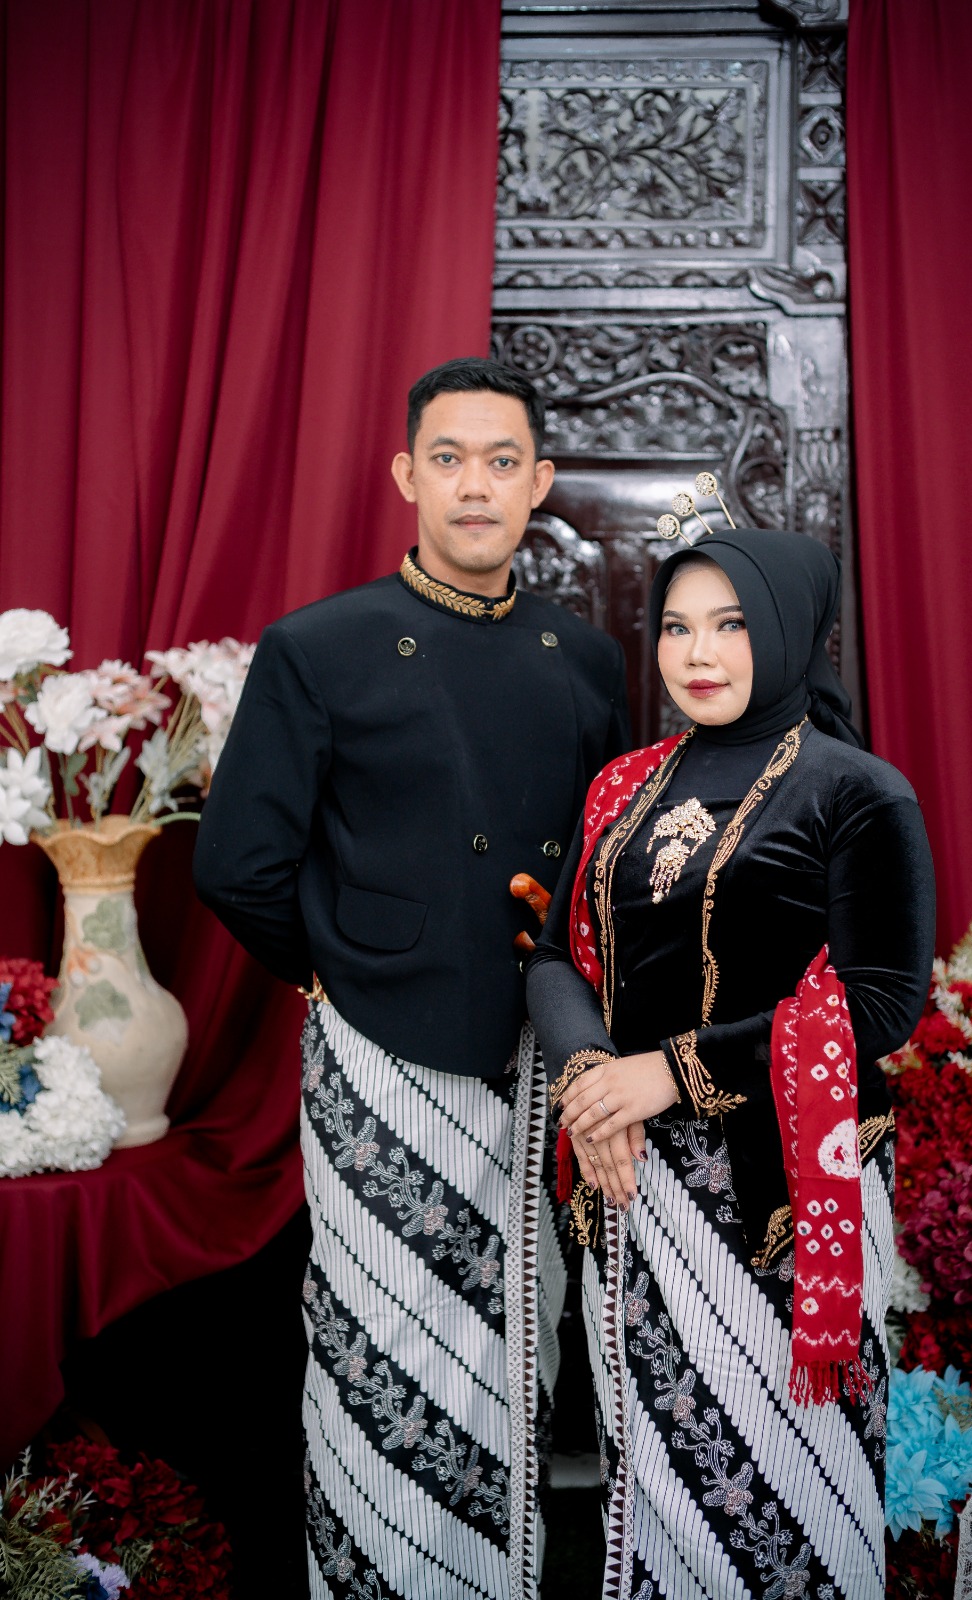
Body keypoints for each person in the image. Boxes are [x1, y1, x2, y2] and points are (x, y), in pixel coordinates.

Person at [193, 356, 630, 1600]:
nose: (474, 485)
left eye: (501, 461)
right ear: (405, 476)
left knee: (519, 1331)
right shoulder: (317, 646)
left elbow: (603, 857)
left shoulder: (584, 657)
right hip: (380, 1049)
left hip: (540, 1051)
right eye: (448, 459)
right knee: (381, 1345)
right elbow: (236, 865)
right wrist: (331, 973)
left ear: (539, 482)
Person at [526, 528, 935, 1600]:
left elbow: (880, 1001)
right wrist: (591, 1076)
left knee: (785, 1489)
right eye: (675, 627)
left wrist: (662, 1074)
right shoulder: (622, 786)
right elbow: (556, 955)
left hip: (782, 1190)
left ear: (791, 631)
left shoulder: (858, 791)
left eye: (731, 624)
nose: (696, 653)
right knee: (659, 1477)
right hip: (633, 1174)